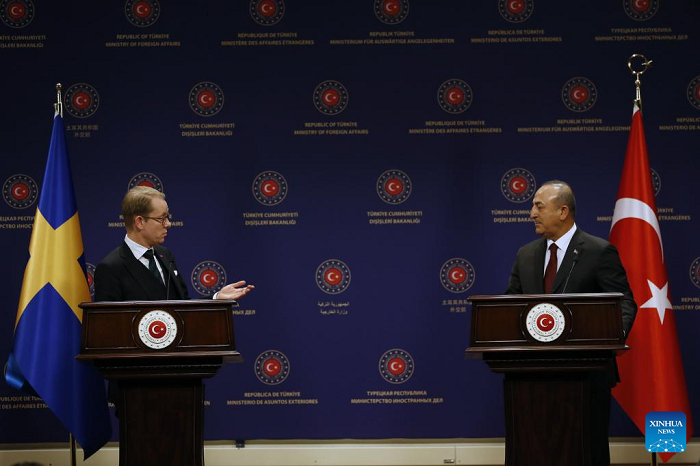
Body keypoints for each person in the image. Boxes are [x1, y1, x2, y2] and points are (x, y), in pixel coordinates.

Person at [505, 180, 636, 466]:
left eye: (538, 206)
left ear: (563, 211)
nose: (531, 213)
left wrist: (614, 336)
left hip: (587, 375)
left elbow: (625, 302)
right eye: (532, 207)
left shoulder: (598, 251)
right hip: (531, 375)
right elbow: (509, 308)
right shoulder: (525, 255)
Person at [95, 186, 254, 302]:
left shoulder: (165, 255)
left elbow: (182, 305)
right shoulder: (111, 268)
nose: (168, 224)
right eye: (161, 218)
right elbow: (109, 327)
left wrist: (216, 297)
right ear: (140, 222)